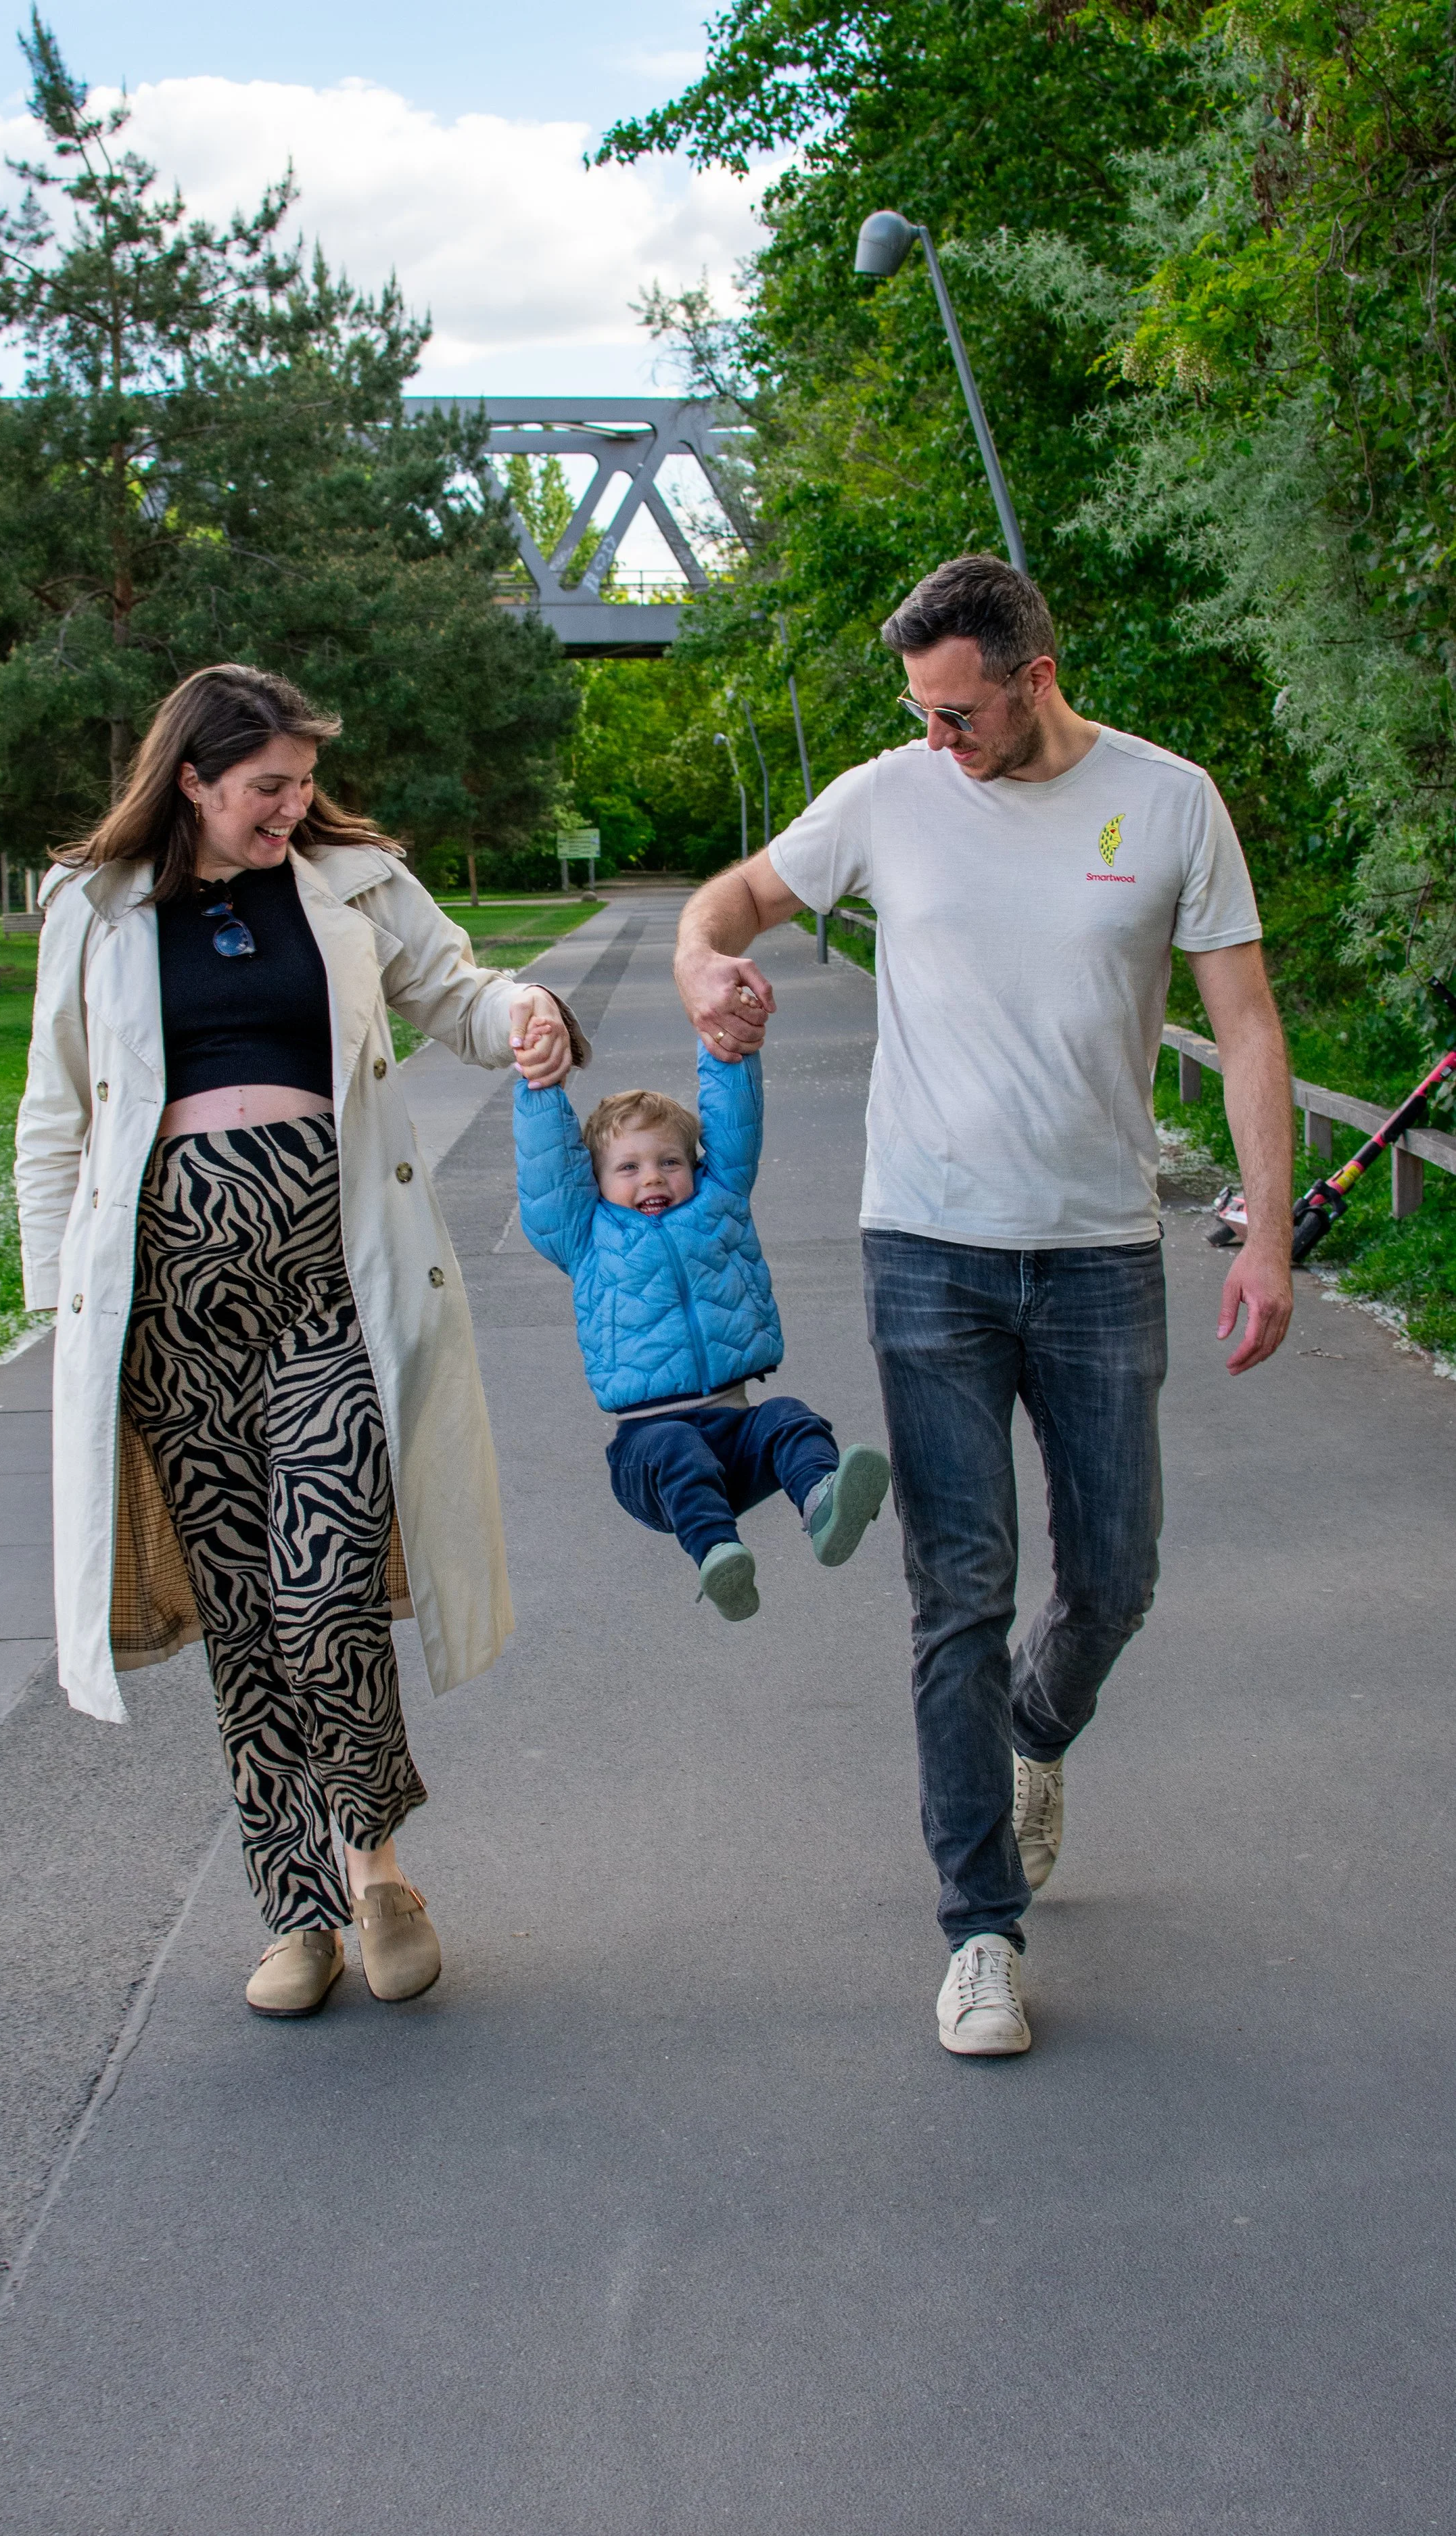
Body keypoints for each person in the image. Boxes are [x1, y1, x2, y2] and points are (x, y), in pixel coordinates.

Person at [672, 555, 1294, 2059]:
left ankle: (1033, 1736)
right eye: (920, 713)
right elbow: (734, 901)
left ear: (1032, 676)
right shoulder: (886, 797)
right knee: (957, 1590)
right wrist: (702, 964)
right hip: (925, 1251)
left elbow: (1246, 1020)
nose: (936, 739)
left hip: (1093, 1253)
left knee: (1114, 1578)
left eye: (958, 713)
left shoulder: (1163, 802)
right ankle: (977, 1935)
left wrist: (1265, 1229)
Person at [16, 663, 578, 2021]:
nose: (294, 806)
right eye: (268, 787)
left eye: (303, 783)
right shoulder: (91, 909)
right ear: (192, 781)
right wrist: (62, 1315)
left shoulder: (354, 880)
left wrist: (527, 1016)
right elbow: (55, 1108)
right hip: (171, 1314)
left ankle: (378, 1862)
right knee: (245, 1623)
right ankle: (296, 1909)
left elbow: (455, 988)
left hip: (332, 1286)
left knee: (325, 1598)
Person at [513, 1043, 891, 1618]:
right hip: (651, 1458)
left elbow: (735, 1124)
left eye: (670, 1161)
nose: (653, 1178)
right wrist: (541, 1085)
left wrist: (726, 1043)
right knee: (677, 1444)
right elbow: (547, 1176)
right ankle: (719, 1556)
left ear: (694, 1166)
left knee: (789, 1417)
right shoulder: (585, 1235)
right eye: (628, 1166)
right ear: (595, 1180)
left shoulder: (721, 1203)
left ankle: (824, 1505)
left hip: (734, 1437)